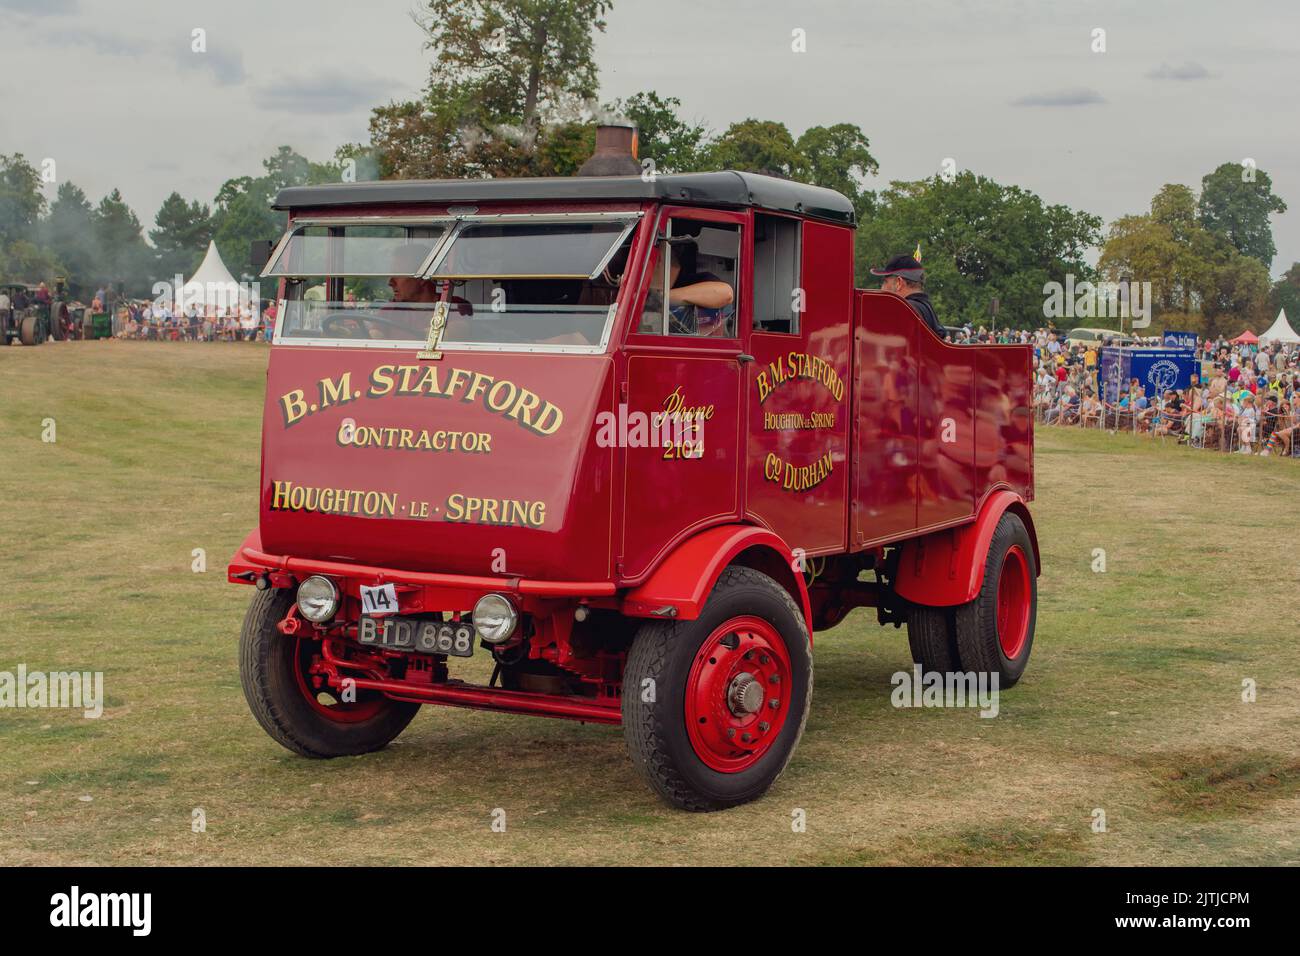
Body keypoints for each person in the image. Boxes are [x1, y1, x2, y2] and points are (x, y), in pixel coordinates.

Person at [870, 254, 944, 339]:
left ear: (899, 283)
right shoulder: (925, 308)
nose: (882, 288)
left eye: (885, 282)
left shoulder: (904, 310)